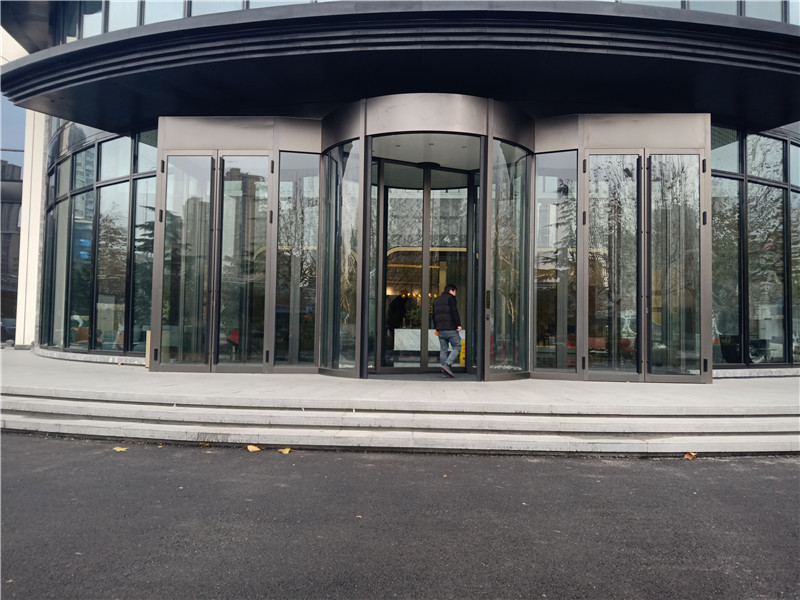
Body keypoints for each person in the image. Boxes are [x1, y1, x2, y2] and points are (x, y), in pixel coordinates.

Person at [432, 284, 462, 378]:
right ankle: (447, 364)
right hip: (450, 328)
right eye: (455, 292)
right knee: (457, 347)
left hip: (440, 329)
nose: (455, 294)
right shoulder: (451, 298)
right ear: (451, 291)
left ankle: (445, 372)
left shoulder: (437, 300)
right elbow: (454, 312)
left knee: (443, 350)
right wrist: (458, 324)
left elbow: (434, 315)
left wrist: (437, 328)